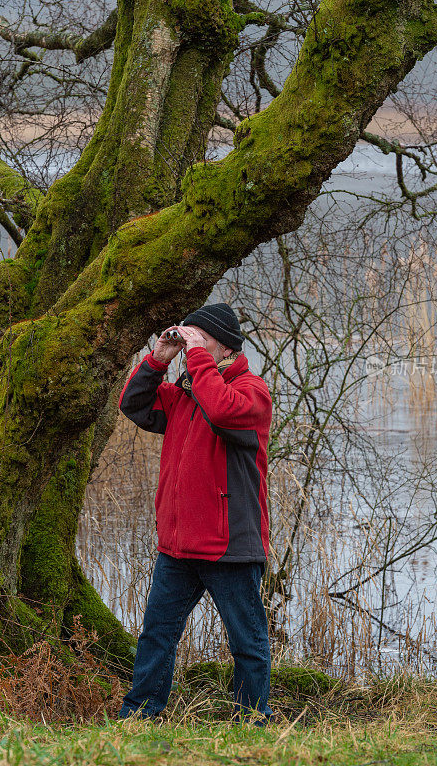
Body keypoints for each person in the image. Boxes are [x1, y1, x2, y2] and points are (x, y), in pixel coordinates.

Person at [117, 302, 274, 726]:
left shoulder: (252, 394)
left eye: (198, 340)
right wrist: (158, 359)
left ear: (223, 348)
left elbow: (221, 409)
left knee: (247, 641)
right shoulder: (185, 394)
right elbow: (132, 404)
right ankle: (139, 716)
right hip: (178, 546)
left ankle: (253, 720)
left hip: (229, 546)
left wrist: (198, 356)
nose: (189, 348)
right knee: (156, 636)